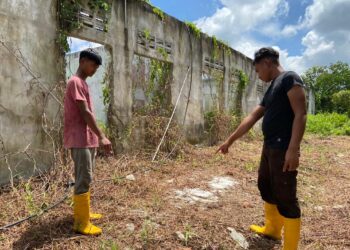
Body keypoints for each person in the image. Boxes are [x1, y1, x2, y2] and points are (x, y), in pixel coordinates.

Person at [217, 47, 307, 249]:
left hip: (284, 148)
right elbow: (252, 117)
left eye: (257, 70)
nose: (258, 75)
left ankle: (291, 247)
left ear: (267, 62)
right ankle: (273, 230)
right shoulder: (272, 87)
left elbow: (301, 114)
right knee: (265, 186)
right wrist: (229, 141)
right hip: (269, 147)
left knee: (286, 196)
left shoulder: (289, 78)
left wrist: (293, 149)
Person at [64, 48, 112, 236]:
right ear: (82, 61)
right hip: (79, 139)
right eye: (93, 65)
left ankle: (85, 213)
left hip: (87, 139)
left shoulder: (83, 83)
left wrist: (97, 136)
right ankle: (81, 224)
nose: (94, 70)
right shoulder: (75, 82)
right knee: (83, 178)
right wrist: (101, 136)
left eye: (96, 68)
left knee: (87, 177)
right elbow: (85, 112)